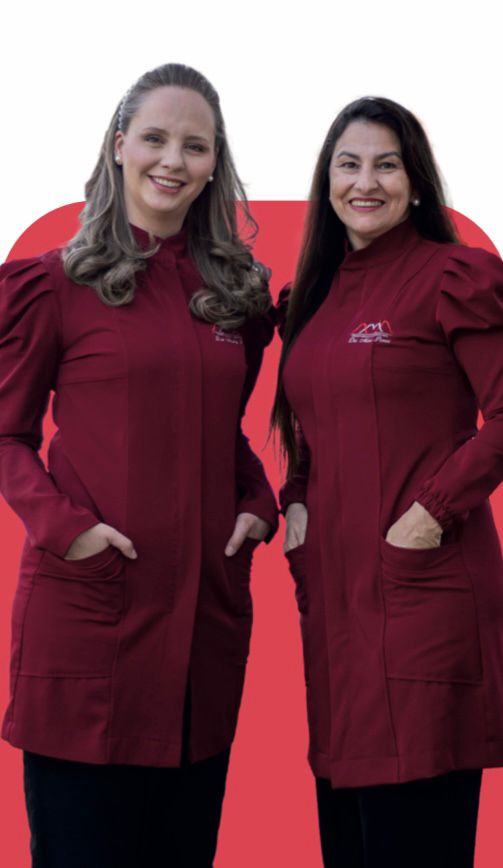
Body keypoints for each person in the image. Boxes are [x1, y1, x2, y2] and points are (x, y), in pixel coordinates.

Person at [0, 62, 278, 868]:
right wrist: (69, 532)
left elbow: (222, 432)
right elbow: (7, 436)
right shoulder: (54, 284)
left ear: (214, 164)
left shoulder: (232, 296)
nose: (172, 160)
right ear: (119, 145)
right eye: (154, 138)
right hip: (90, 622)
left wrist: (255, 500)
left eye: (195, 146)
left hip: (199, 631)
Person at [272, 96, 503, 867]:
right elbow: (314, 423)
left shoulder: (451, 277)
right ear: (325, 180)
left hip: (421, 600)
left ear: (415, 182)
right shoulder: (316, 296)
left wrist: (431, 512)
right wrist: (296, 501)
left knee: (412, 838)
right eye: (348, 164)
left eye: (385, 165)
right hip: (337, 611)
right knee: (347, 839)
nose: (364, 182)